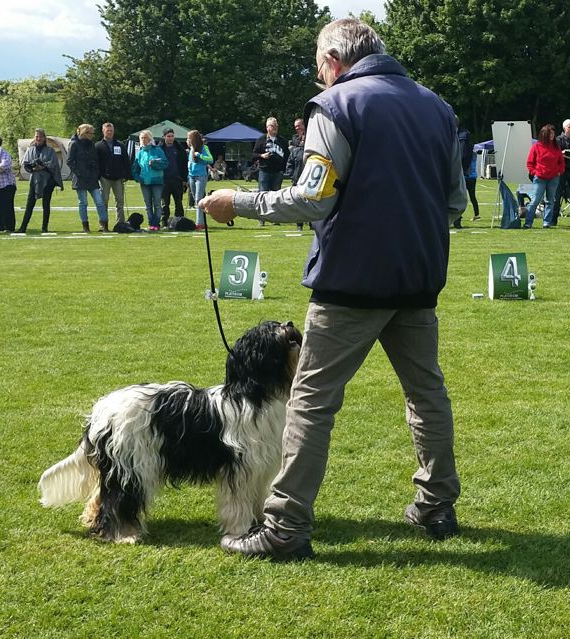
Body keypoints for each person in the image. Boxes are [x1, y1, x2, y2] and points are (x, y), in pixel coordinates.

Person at [201, 18, 467, 561]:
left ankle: (285, 528)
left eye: (319, 67)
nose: (319, 78)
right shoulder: (437, 108)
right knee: (427, 394)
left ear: (333, 61)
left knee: (311, 402)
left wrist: (241, 201)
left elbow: (313, 198)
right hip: (418, 277)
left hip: (351, 283)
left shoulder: (337, 105)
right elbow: (456, 200)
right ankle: (437, 506)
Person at [17, 128, 63, 233]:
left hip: (48, 181)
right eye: (37, 136)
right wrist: (34, 167)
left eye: (41, 136)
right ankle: (23, 227)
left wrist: (41, 166)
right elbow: (26, 165)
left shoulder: (50, 150)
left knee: (46, 205)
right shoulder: (30, 150)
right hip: (34, 180)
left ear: (44, 138)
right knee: (29, 204)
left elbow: (53, 164)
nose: (38, 138)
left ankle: (44, 227)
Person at [67, 124, 109, 232]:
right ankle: (85, 226)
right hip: (80, 178)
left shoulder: (91, 145)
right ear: (84, 133)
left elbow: (95, 160)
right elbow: (70, 161)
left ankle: (104, 224)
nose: (92, 135)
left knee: (99, 201)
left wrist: (95, 173)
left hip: (92, 178)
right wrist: (79, 173)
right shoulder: (74, 144)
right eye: (90, 133)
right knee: (83, 202)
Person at [524, 124, 565, 229]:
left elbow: (561, 162)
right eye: (550, 133)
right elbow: (529, 163)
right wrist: (534, 172)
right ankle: (528, 222)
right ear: (544, 134)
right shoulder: (536, 146)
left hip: (554, 178)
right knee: (535, 201)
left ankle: (547, 223)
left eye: (553, 133)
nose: (552, 135)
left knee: (550, 201)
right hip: (540, 178)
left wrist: (560, 171)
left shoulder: (556, 147)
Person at [252, 117, 289, 226]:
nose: (275, 127)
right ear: (267, 128)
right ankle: (262, 219)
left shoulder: (282, 141)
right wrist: (262, 155)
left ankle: (275, 219)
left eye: (276, 125)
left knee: (276, 196)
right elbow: (253, 155)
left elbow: (287, 156)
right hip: (265, 171)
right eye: (273, 125)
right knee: (263, 195)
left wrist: (283, 169)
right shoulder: (261, 140)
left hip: (278, 172)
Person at [96, 122, 131, 227]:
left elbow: (126, 161)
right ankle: (103, 225)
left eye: (111, 130)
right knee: (104, 202)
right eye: (107, 130)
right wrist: (98, 175)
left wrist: (126, 174)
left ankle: (120, 224)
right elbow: (96, 162)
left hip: (118, 178)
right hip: (104, 178)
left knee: (120, 202)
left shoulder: (120, 145)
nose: (109, 132)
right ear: (103, 131)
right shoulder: (98, 146)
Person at [131, 130, 168, 230]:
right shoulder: (140, 152)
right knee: (148, 204)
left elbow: (165, 163)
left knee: (157, 203)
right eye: (141, 138)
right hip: (144, 181)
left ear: (150, 139)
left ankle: (156, 224)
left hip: (157, 181)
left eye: (145, 138)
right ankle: (151, 223)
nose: (143, 140)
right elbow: (135, 168)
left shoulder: (158, 150)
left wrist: (155, 164)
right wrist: (138, 178)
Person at [158, 127, 187, 226]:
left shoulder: (179, 148)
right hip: (164, 180)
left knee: (178, 202)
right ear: (164, 137)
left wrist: (184, 179)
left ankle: (179, 222)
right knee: (165, 204)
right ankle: (164, 222)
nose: (170, 138)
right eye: (168, 136)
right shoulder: (159, 149)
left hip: (177, 179)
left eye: (172, 136)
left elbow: (184, 165)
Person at [186, 130, 213, 230]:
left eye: (189, 138)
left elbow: (210, 159)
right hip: (191, 176)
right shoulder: (190, 149)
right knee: (195, 198)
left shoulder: (203, 148)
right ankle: (202, 220)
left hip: (201, 176)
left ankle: (199, 223)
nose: (187, 140)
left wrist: (199, 155)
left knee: (198, 199)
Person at [454, 119, 474, 228]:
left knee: (457, 196)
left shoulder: (463, 135)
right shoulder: (461, 134)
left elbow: (464, 155)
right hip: (457, 169)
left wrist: (461, 170)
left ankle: (457, 220)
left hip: (459, 170)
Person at [287, 118, 307, 230]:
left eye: (299, 125)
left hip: (309, 179)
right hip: (297, 179)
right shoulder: (295, 148)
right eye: (295, 126)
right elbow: (289, 164)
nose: (297, 128)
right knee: (297, 203)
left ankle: (311, 224)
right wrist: (292, 175)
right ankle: (299, 225)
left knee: (310, 202)